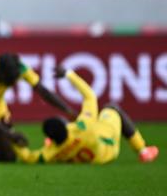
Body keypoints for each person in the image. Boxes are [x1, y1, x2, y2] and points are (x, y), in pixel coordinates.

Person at [16, 66, 159, 164]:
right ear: (64, 125)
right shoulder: (82, 125)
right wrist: (68, 74)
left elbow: (29, 157)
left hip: (88, 157)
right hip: (109, 148)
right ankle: (143, 150)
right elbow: (90, 96)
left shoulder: (51, 152)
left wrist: (13, 141)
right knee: (111, 107)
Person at [0, 53, 76, 162]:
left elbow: (43, 91)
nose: (9, 85)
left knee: (9, 157)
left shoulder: (19, 68)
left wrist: (69, 110)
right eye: (7, 81)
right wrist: (9, 134)